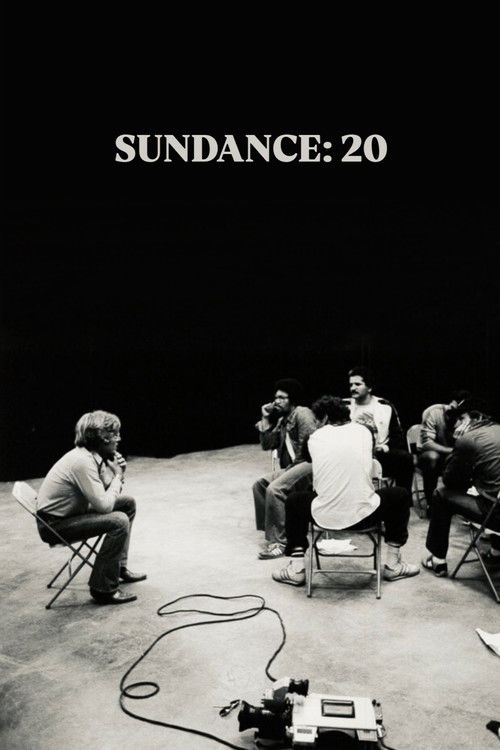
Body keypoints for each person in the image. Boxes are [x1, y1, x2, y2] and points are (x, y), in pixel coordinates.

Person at [271, 395, 419, 587]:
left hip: (323, 517)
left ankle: (297, 569)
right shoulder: (365, 431)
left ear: (324, 418)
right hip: (367, 515)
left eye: (317, 420)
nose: (316, 424)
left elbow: (308, 459)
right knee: (401, 495)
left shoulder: (313, 437)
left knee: (294, 500)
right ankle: (393, 564)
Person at [36, 410, 146, 605]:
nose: (119, 439)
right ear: (102, 438)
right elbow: (104, 506)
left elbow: (103, 492)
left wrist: (117, 472)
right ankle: (103, 588)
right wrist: (118, 476)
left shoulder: (92, 457)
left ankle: (118, 568)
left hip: (69, 514)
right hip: (54, 525)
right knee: (119, 521)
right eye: (115, 434)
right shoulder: (82, 462)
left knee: (127, 504)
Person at [422, 398, 500, 576]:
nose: (456, 426)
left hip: (496, 515)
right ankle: (497, 552)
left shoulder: (469, 439)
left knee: (441, 495)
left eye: (460, 420)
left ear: (475, 418)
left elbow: (451, 481)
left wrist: (459, 445)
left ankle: (437, 560)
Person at [253, 378, 317, 559]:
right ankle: (274, 531)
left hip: (309, 465)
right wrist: (265, 418)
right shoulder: (283, 420)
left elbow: (311, 448)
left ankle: (279, 542)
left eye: (282, 398)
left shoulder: (302, 413)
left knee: (274, 489)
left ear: (292, 398)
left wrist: (291, 471)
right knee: (260, 485)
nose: (276, 402)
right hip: (293, 467)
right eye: (276, 398)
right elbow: (267, 445)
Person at [345, 366, 413, 493]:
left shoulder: (384, 406)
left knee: (405, 458)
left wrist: (384, 448)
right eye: (351, 385)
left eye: (357, 384)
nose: (353, 388)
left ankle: (403, 499)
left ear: (369, 387)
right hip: (352, 455)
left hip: (379, 454)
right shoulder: (345, 407)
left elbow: (397, 435)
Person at [418, 389, 471, 514]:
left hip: (453, 457)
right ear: (453, 403)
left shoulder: (467, 417)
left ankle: (457, 501)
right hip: (433, 454)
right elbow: (426, 444)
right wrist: (453, 451)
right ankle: (431, 503)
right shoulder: (434, 411)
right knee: (432, 457)